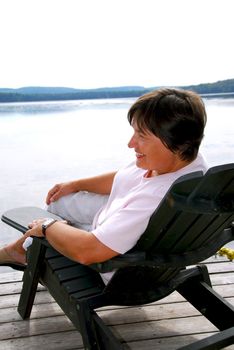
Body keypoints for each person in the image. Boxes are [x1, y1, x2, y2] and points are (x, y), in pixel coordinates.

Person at [0, 88, 208, 284]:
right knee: (60, 200)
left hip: (114, 264)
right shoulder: (188, 161)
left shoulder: (155, 198)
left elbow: (89, 250)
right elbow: (125, 177)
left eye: (141, 136)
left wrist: (47, 227)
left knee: (48, 223)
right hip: (117, 222)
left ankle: (17, 251)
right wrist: (75, 184)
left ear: (176, 142)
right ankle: (20, 249)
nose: (131, 143)